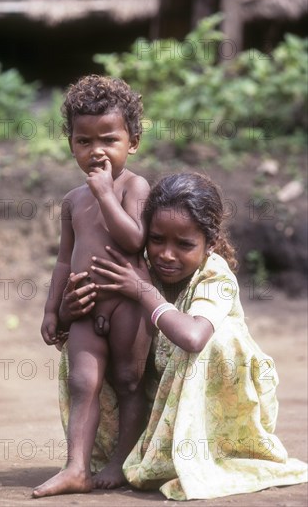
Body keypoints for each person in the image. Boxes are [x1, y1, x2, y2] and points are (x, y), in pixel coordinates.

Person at [46, 171, 307, 500]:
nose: (166, 254)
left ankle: (197, 453)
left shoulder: (213, 276)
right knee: (88, 344)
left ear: (209, 243)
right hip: (156, 399)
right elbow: (81, 331)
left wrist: (144, 293)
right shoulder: (137, 269)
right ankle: (117, 454)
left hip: (217, 411)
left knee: (218, 338)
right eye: (156, 240)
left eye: (184, 244)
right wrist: (69, 311)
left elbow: (194, 338)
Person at [33, 75, 152, 497]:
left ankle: (122, 460)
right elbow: (65, 259)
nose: (96, 150)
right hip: (83, 306)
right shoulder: (71, 201)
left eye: (108, 139)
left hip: (126, 304)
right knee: (82, 383)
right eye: (84, 141)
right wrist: (52, 309)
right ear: (71, 144)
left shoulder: (134, 186)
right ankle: (76, 468)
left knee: (128, 381)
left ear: (132, 141)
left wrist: (105, 194)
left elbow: (135, 240)